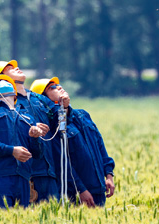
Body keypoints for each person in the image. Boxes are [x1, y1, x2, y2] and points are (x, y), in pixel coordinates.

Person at [30, 78, 115, 207]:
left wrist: (109, 175)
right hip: (76, 192)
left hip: (98, 188)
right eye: (52, 87)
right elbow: (61, 161)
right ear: (44, 99)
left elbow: (100, 146)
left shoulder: (83, 115)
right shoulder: (53, 127)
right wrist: (80, 189)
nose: (58, 87)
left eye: (58, 84)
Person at [0, 60, 59, 203]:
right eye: (10, 68)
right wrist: (28, 125)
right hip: (27, 173)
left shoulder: (39, 98)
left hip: (49, 171)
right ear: (0, 78)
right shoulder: (6, 106)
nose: (17, 68)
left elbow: (59, 121)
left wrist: (63, 106)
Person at [0, 74, 47, 209]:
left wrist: (35, 138)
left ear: (15, 94)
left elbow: (37, 154)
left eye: (6, 81)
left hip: (23, 179)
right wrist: (11, 150)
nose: (2, 82)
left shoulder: (28, 118)